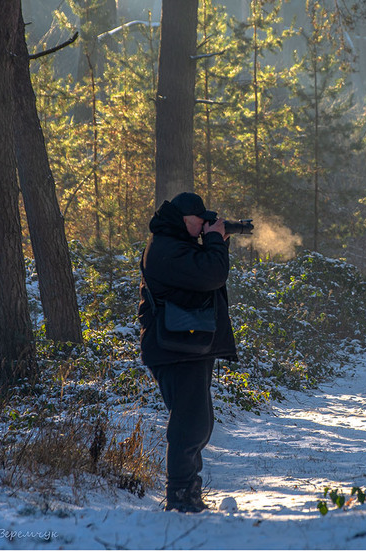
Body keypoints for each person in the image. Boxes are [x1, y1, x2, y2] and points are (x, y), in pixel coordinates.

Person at [138, 192, 237, 513]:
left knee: (198, 422)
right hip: (175, 349)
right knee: (189, 424)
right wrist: (214, 240)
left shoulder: (175, 244)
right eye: (200, 219)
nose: (204, 224)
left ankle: (188, 493)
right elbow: (212, 275)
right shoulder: (165, 247)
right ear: (183, 219)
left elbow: (207, 273)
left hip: (186, 345)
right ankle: (179, 495)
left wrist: (215, 240)